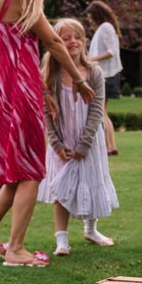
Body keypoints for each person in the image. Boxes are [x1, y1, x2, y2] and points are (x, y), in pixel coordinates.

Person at [0, 0, 95, 267]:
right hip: (20, 91)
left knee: (16, 169)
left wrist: (44, 91)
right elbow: (52, 41)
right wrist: (79, 80)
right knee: (31, 171)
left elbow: (12, 52)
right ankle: (16, 249)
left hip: (1, 91)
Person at [37, 19, 119, 256]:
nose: (72, 42)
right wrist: (56, 143)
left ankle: (91, 229)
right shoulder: (50, 74)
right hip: (63, 140)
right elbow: (46, 113)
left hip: (89, 141)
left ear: (84, 41)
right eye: (65, 38)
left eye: (77, 37)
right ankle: (61, 240)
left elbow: (96, 112)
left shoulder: (94, 72)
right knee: (60, 190)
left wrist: (84, 144)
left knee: (90, 183)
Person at [85, 0, 123, 156]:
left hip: (106, 75)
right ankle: (110, 146)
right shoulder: (103, 28)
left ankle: (110, 147)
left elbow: (111, 51)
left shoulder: (106, 27)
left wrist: (90, 60)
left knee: (100, 112)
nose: (89, 20)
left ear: (97, 15)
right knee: (102, 111)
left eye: (90, 16)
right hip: (105, 75)